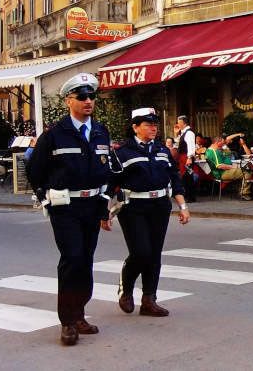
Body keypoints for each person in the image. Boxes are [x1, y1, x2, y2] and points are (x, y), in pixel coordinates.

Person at [27, 73, 112, 346]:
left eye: (91, 96)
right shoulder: (54, 135)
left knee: (86, 260)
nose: (89, 101)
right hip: (66, 207)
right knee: (72, 258)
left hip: (92, 204)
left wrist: (104, 202)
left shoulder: (100, 131)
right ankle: (67, 322)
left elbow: (105, 169)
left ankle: (80, 314)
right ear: (68, 101)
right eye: (82, 97)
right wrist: (45, 199)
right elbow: (35, 170)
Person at [109, 108, 190, 317]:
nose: (153, 128)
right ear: (135, 127)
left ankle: (149, 299)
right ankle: (126, 288)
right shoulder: (122, 152)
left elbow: (174, 179)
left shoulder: (162, 150)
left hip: (159, 206)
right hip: (133, 207)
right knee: (141, 252)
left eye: (155, 124)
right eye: (147, 124)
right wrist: (104, 212)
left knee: (154, 254)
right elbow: (110, 183)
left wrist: (182, 206)